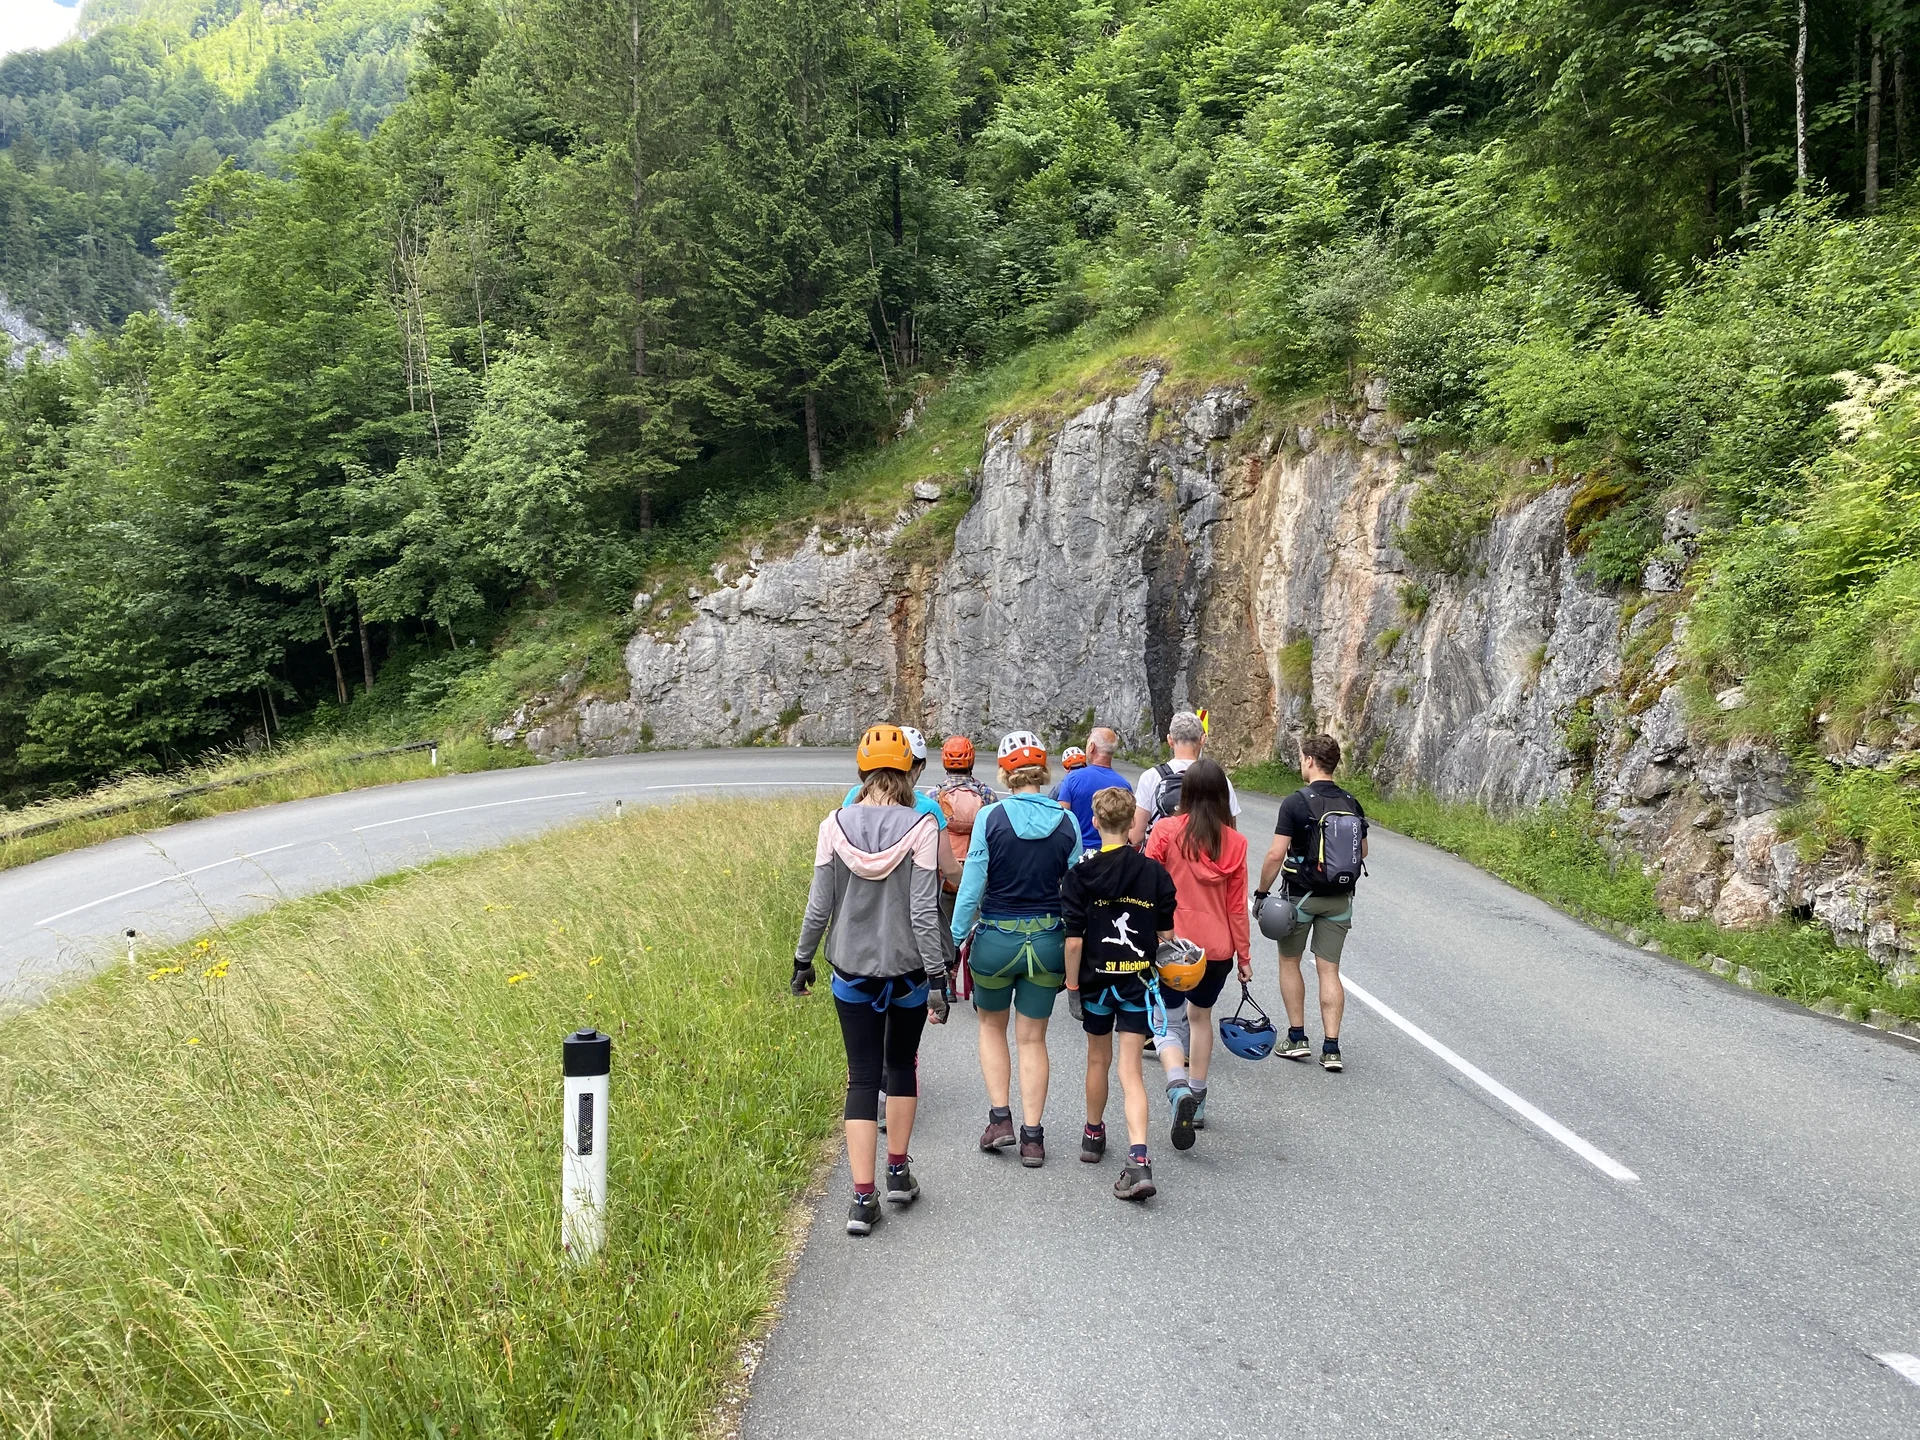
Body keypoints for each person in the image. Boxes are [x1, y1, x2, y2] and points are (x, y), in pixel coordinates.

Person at [794, 724, 952, 1235]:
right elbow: (925, 912)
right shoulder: (923, 826)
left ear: (861, 772)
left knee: (862, 1078)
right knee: (901, 1066)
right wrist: (937, 976)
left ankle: (862, 1201)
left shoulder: (832, 825)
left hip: (851, 971)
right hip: (907, 971)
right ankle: (899, 1173)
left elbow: (820, 907)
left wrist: (802, 960)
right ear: (908, 770)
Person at [949, 730, 1083, 1167]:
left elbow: (970, 889)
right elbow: (1076, 891)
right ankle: (1032, 1138)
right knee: (1033, 1039)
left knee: (991, 1028)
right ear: (1043, 773)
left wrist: (952, 941)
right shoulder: (1068, 822)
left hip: (995, 940)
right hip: (1047, 942)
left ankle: (1000, 1119)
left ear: (1006, 773)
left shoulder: (991, 818)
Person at [1062, 786, 1177, 1200]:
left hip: (1094, 983)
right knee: (1130, 1069)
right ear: (1133, 824)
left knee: (1098, 1058)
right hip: (1136, 984)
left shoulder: (1079, 874)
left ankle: (1093, 1135)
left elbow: (1073, 941)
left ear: (1094, 822)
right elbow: (1166, 934)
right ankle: (1139, 1159)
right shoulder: (1154, 874)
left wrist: (1072, 987)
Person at [1143, 758, 1250, 1150]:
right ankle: (1199, 1098)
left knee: (1166, 1023)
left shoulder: (1167, 831)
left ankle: (1176, 1088)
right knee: (1200, 1019)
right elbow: (1237, 907)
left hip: (1173, 945)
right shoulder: (1235, 843)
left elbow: (1146, 884)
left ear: (1184, 793)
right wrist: (1245, 957)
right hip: (1217, 949)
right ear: (1223, 796)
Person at [1254, 733, 1369, 1072]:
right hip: (1339, 899)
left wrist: (1261, 893)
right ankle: (1331, 1048)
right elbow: (1362, 852)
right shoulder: (1351, 802)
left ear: (1309, 761)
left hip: (1299, 896)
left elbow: (1276, 854)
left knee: (1290, 962)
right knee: (1329, 970)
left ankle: (1297, 1038)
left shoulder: (1295, 802)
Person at [1130, 710, 1242, 847]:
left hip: (1161, 863)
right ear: (1202, 739)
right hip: (1205, 863)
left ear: (1170, 740)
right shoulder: (1220, 780)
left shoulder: (1151, 777)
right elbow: (1230, 835)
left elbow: (1135, 837)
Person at [1055, 726, 1133, 852]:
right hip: (1111, 853)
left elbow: (1061, 818)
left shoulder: (1072, 779)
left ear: (1092, 747)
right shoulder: (1124, 785)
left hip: (1078, 852)